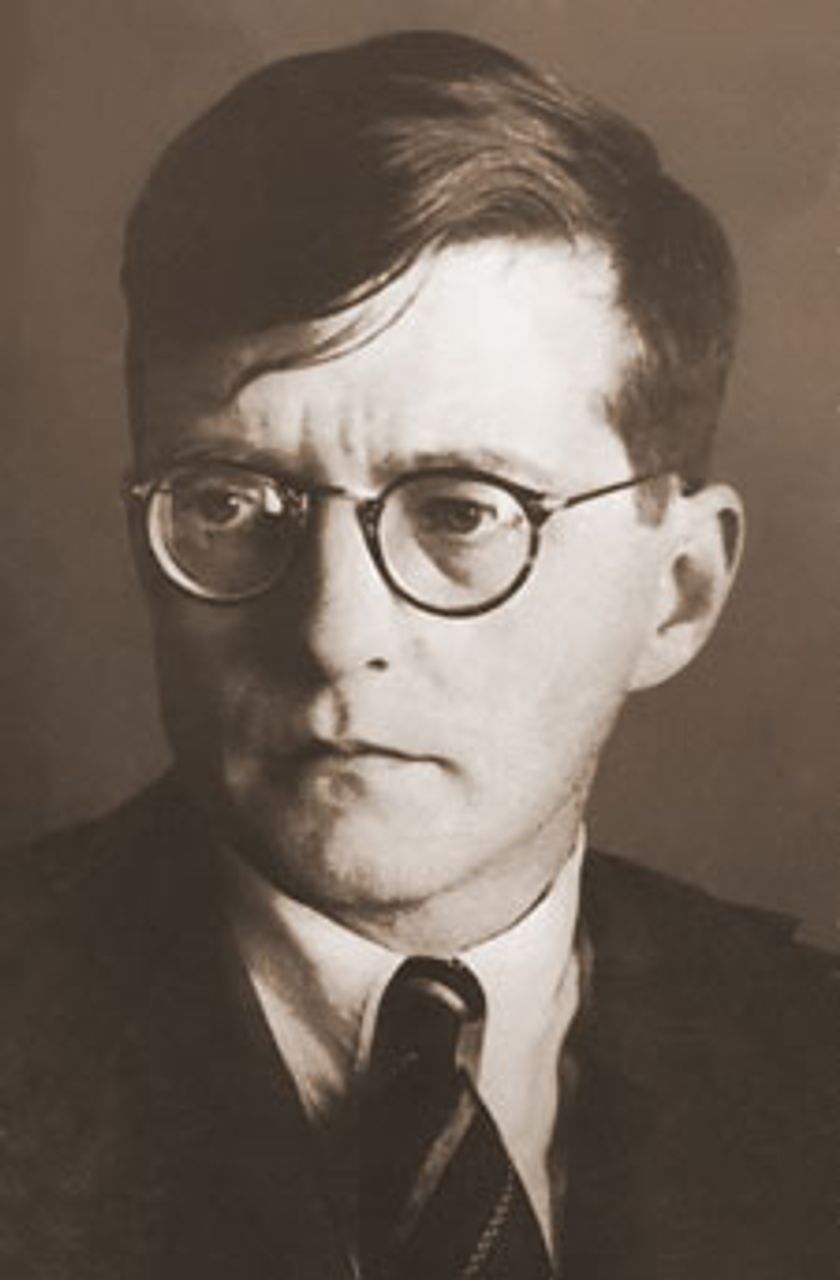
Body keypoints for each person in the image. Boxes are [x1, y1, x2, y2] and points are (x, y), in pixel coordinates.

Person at [1, 29, 836, 1280]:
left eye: (460, 511)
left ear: (678, 591)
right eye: (228, 502)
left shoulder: (810, 1068)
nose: (334, 634)